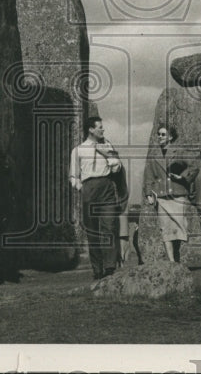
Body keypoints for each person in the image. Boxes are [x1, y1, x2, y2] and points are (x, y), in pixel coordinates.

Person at [69, 116, 121, 280]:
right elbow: (73, 176)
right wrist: (81, 188)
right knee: (92, 231)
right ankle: (97, 270)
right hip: (89, 189)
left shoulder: (107, 145)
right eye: (99, 127)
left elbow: (117, 168)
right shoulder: (78, 150)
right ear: (91, 129)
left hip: (106, 187)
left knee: (109, 227)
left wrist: (107, 155)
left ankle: (110, 268)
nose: (102, 129)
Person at [142, 125, 198, 263]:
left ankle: (176, 258)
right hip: (161, 197)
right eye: (159, 134)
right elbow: (148, 176)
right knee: (165, 230)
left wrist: (183, 177)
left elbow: (195, 166)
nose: (160, 137)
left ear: (170, 137)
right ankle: (172, 262)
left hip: (178, 195)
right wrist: (148, 194)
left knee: (178, 230)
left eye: (163, 134)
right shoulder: (154, 155)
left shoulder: (180, 152)